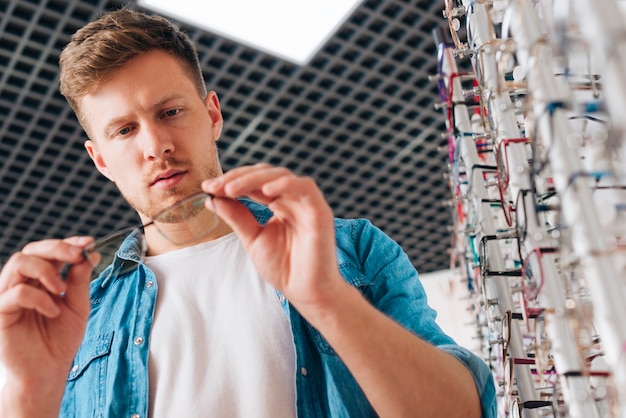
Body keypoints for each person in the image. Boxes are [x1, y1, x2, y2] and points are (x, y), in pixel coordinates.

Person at [0, 8, 496, 418]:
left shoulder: (351, 250)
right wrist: (26, 394)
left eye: (170, 112)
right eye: (124, 131)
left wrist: (327, 301)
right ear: (101, 160)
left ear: (212, 114)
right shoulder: (76, 314)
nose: (156, 146)